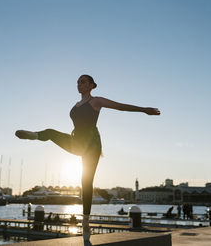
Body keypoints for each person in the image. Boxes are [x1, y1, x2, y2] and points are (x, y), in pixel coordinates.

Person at [15, 74, 160, 241]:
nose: (79, 84)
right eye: (77, 82)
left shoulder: (96, 101)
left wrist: (143, 110)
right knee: (50, 132)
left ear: (91, 85)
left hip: (91, 145)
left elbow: (120, 106)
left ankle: (85, 221)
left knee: (86, 181)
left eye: (83, 82)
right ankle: (34, 135)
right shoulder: (76, 105)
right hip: (76, 142)